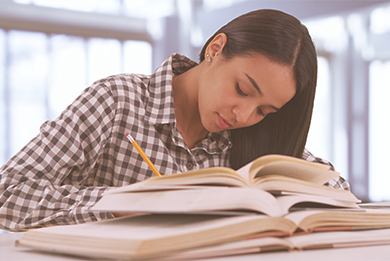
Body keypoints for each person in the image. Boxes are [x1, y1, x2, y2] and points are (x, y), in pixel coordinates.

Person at [0, 9, 350, 232]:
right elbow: (7, 194)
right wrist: (123, 202)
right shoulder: (117, 102)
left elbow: (336, 190)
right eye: (243, 89)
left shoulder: (255, 141)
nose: (243, 115)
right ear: (215, 49)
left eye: (264, 111)